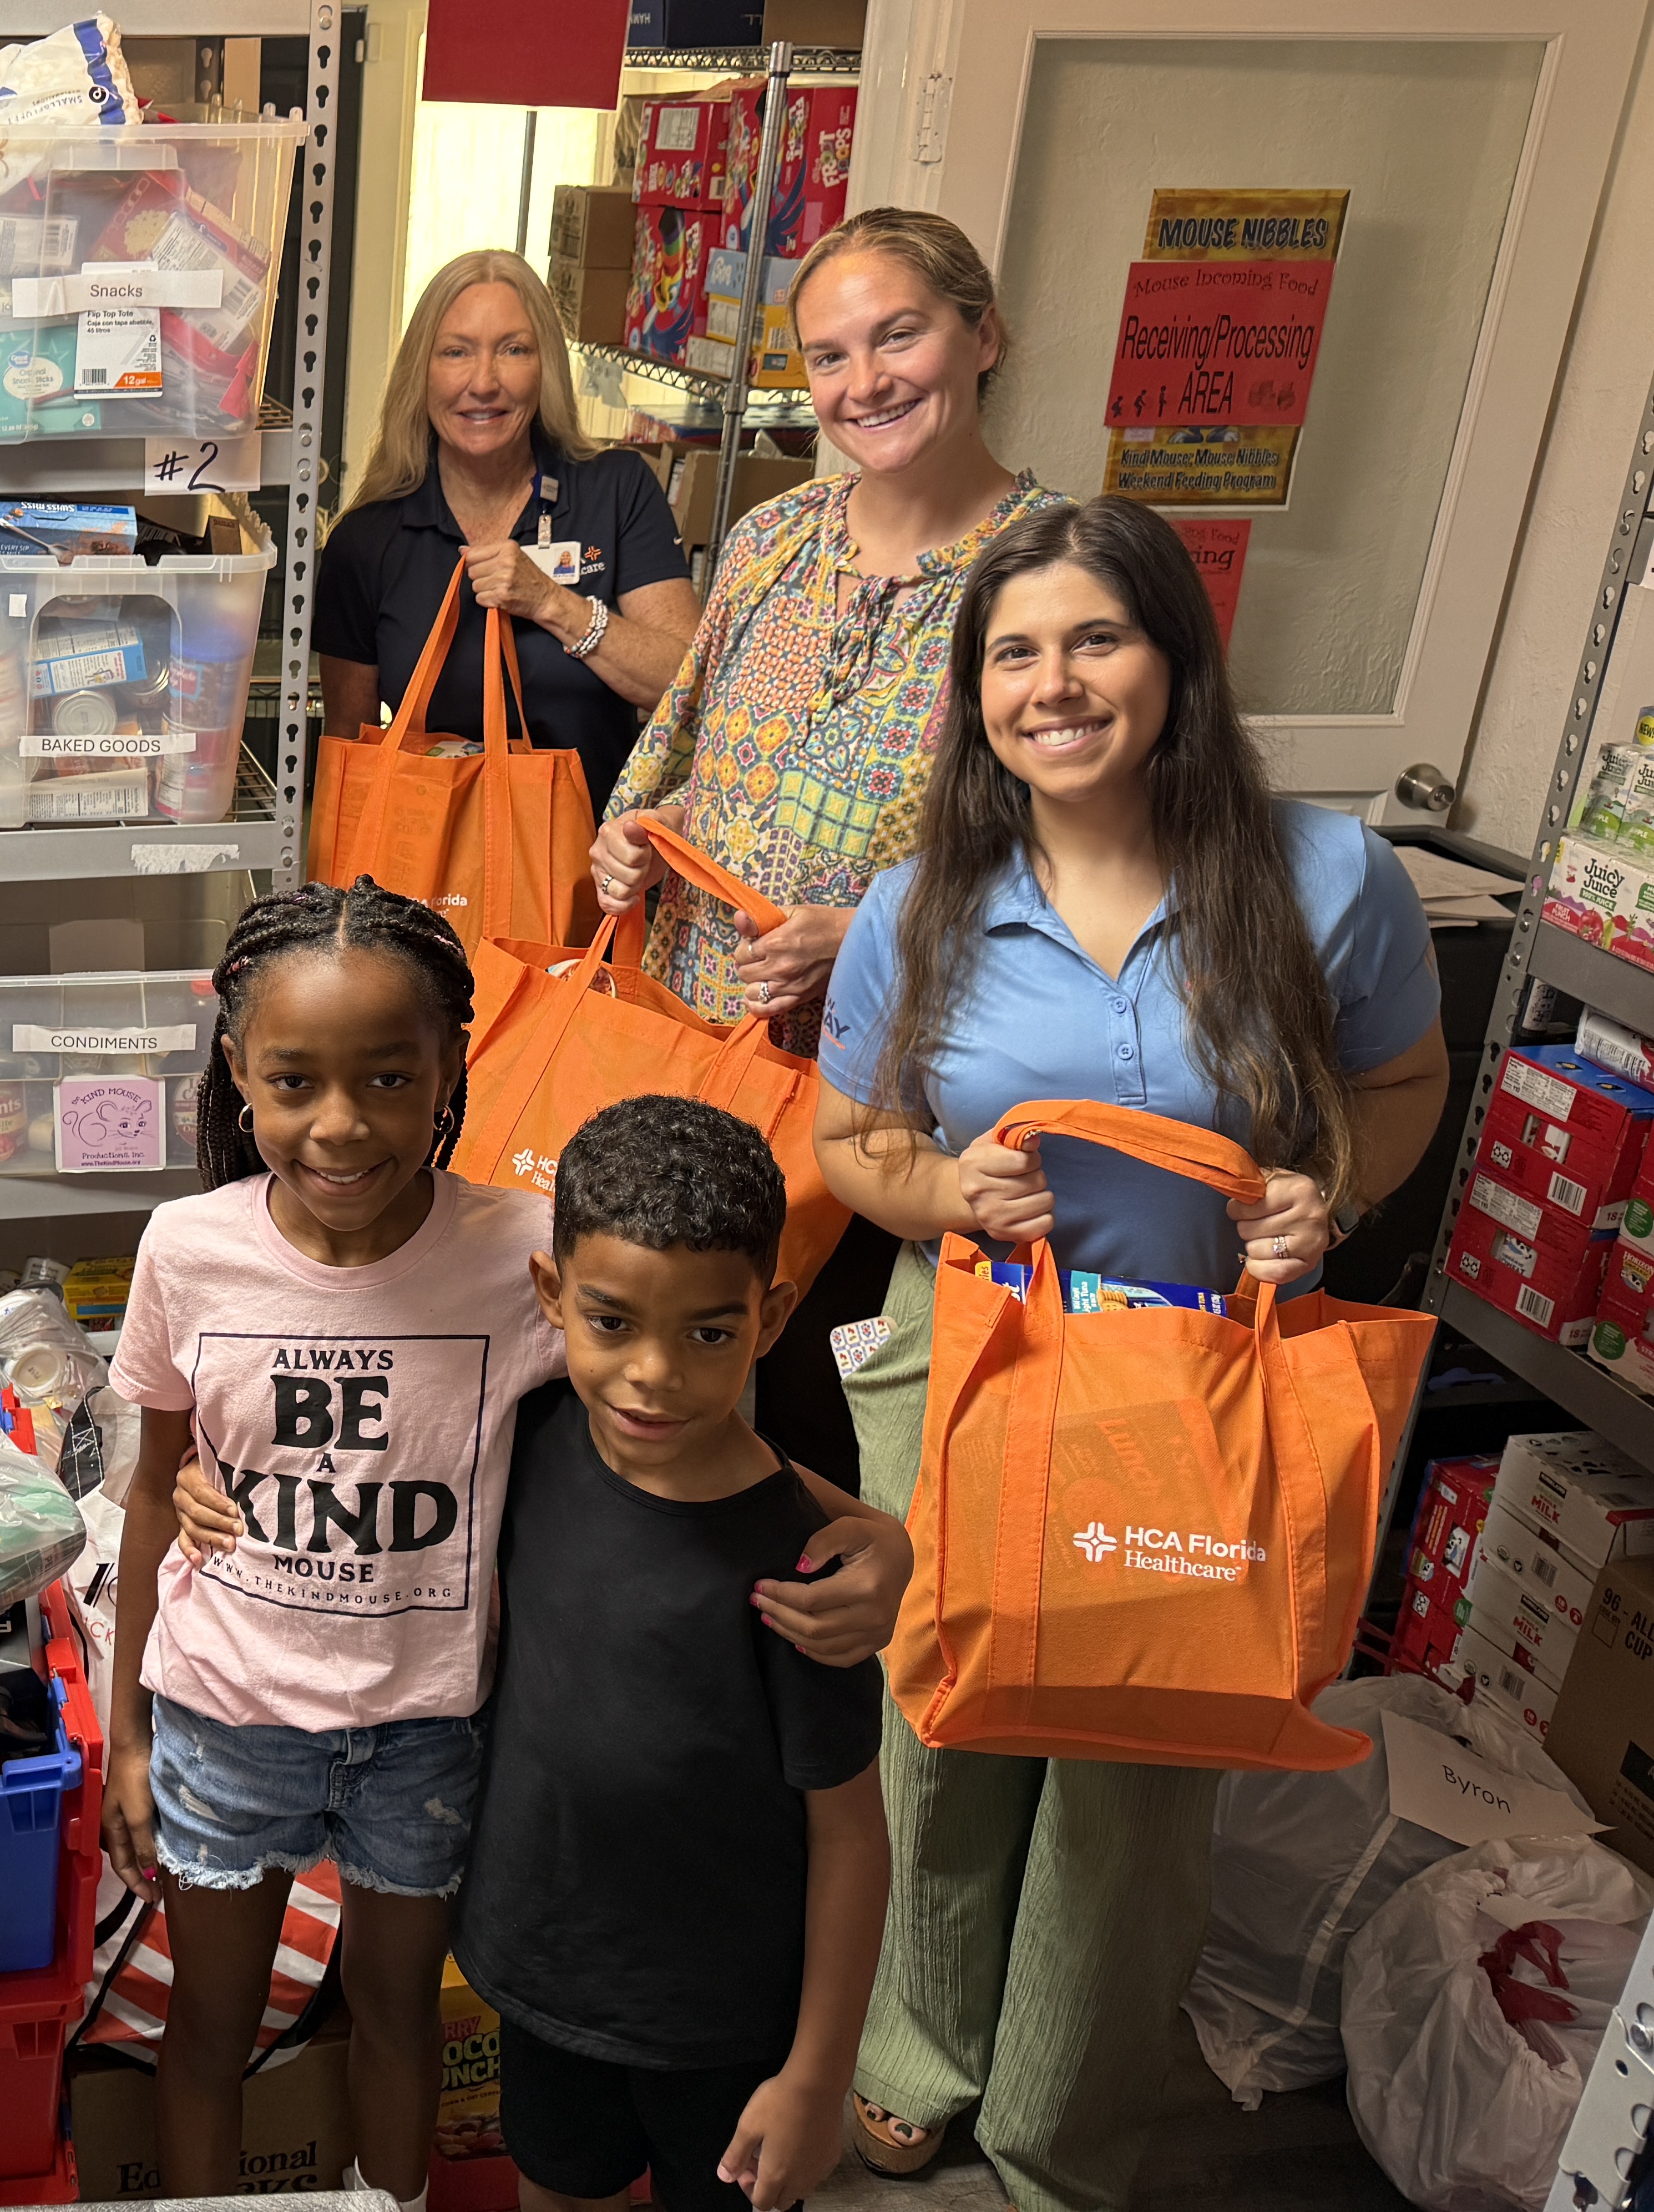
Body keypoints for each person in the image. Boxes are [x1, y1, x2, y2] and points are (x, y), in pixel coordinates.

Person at [810, 495, 1450, 2212]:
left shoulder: (1325, 878)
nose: (1054, 683)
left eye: (1094, 638)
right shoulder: (918, 902)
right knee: (940, 1737)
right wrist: (943, 1181)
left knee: (1133, 1776)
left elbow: (1395, 1087)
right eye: (1012, 652)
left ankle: (1059, 2129)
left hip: (1202, 1391)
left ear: (1172, 655)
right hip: (979, 1375)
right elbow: (842, 1142)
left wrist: (1329, 1196)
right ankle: (913, 2054)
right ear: (973, 695)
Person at [100, 878, 911, 2206]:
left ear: (447, 1075)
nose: (343, 1125)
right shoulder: (184, 1251)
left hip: (428, 1725)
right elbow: (149, 1490)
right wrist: (131, 1731)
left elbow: (692, 1426)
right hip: (226, 1710)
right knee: (211, 2028)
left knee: (399, 2013)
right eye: (295, 1081)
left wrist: (882, 1542)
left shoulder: (523, 1257)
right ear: (238, 1069)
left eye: (388, 1079)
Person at [591, 208, 1068, 1496]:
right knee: (672, 1405)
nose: (866, 384)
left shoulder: (1056, 582)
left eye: (898, 336)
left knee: (822, 1448)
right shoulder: (772, 541)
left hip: (887, 1124)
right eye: (829, 356)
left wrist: (879, 930)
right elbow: (688, 758)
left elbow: (1102, 870)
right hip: (694, 1067)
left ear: (983, 336)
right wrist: (646, 833)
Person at [459, 1096, 887, 2212]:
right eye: (612, 1324)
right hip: (545, 1976)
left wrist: (819, 2073)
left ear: (771, 1317)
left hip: (728, 2029)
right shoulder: (531, 1436)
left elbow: (852, 1837)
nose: (653, 1375)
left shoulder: (803, 1573)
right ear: (555, 1297)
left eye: (707, 1334)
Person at [317, 250, 702, 800]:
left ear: (544, 368)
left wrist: (554, 604)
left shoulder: (616, 491)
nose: (484, 382)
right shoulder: (366, 543)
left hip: (593, 869)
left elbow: (686, 686)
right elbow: (348, 759)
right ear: (420, 374)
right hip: (428, 871)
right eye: (456, 353)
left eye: (513, 350)